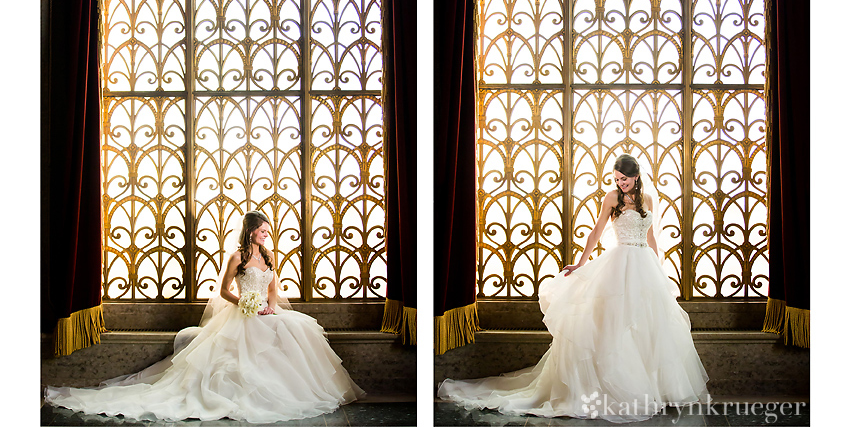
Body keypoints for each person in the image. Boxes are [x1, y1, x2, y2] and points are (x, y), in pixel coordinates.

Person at [438, 154, 709, 423]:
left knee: (649, 327)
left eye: (624, 179)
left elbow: (651, 238)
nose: (620, 183)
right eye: (616, 179)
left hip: (644, 267)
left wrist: (659, 269)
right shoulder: (611, 198)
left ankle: (652, 391)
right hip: (620, 265)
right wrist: (580, 264)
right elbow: (596, 231)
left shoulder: (648, 199)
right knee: (613, 326)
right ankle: (612, 389)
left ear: (636, 177)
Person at [44, 211, 364, 423]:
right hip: (241, 313)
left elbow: (273, 290)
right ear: (251, 231)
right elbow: (224, 291)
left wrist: (267, 306)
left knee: (297, 329)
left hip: (265, 311)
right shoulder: (237, 257)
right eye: (263, 231)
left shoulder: (268, 256)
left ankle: (296, 388)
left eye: (269, 231)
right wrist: (244, 304)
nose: (267, 235)